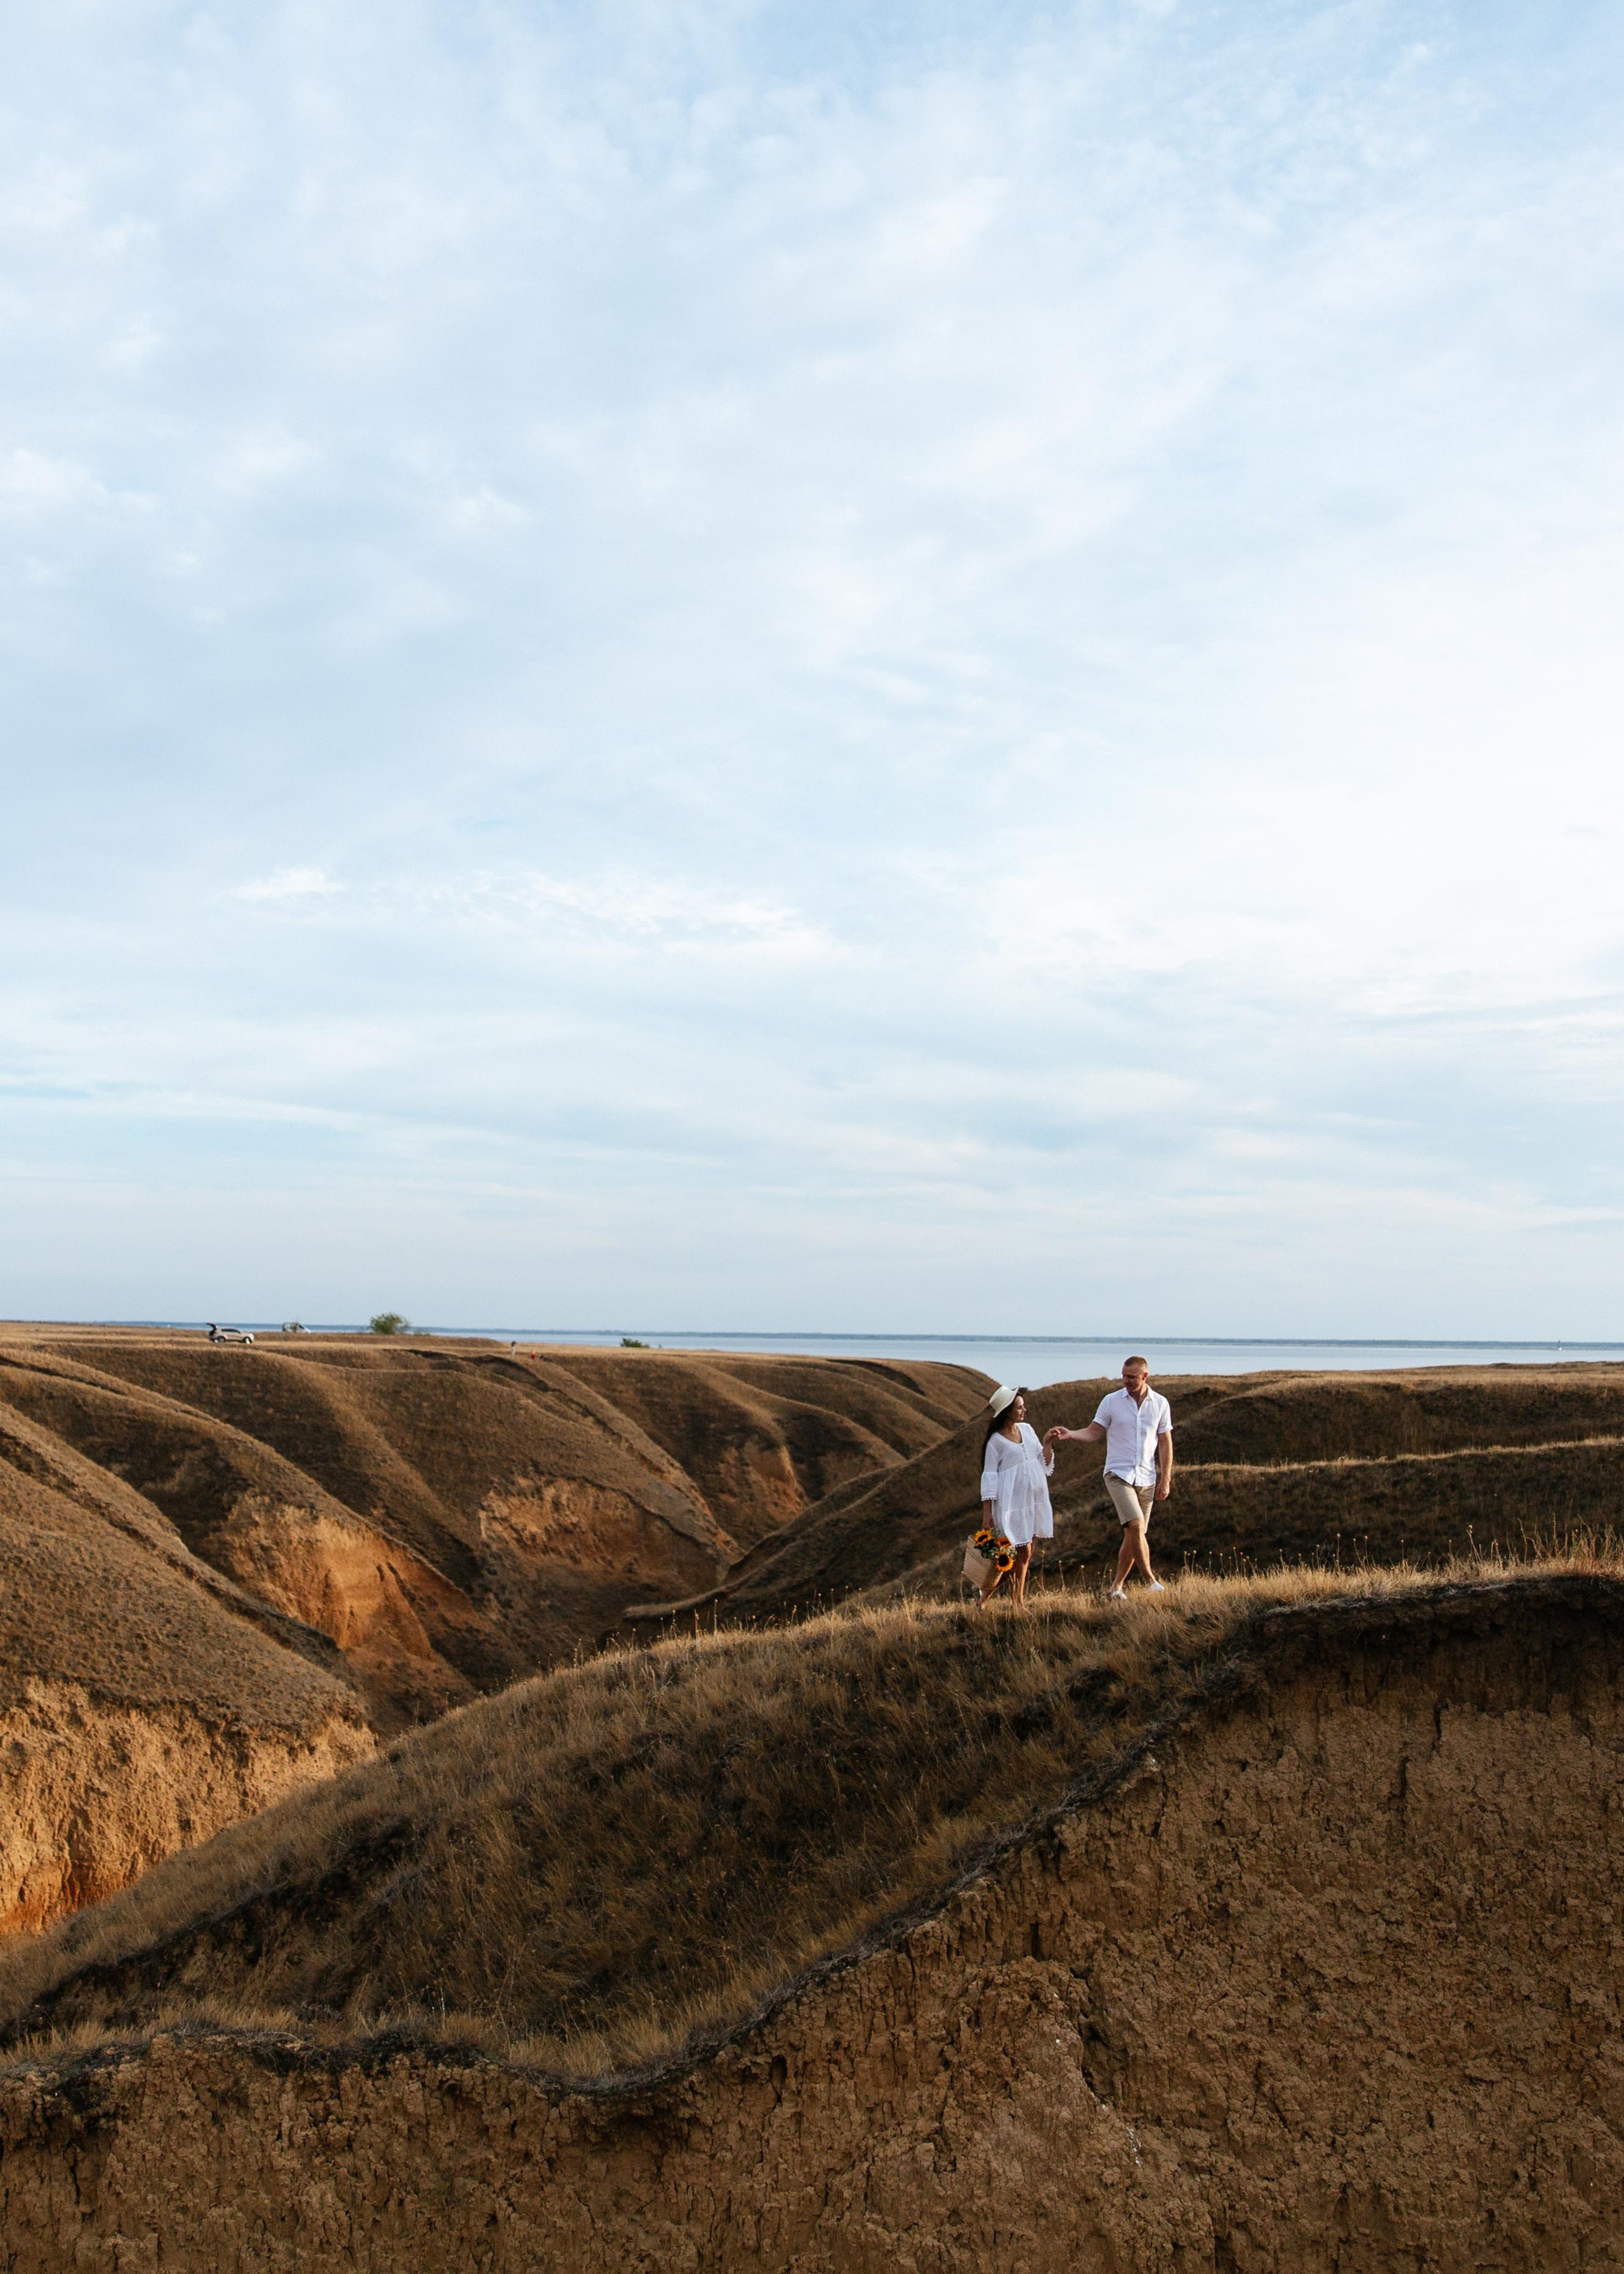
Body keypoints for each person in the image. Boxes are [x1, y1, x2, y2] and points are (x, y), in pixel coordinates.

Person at [1046, 1355, 1172, 1600]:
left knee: (1134, 1534)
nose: (1125, 1380)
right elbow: (1094, 1433)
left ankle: (1116, 1588)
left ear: (1145, 1376)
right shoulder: (1111, 1402)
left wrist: (1166, 1479)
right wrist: (1071, 1434)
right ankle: (1151, 1580)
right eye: (1123, 1376)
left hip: (1147, 1477)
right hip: (1118, 1474)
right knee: (1135, 1526)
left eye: (1131, 1377)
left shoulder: (1160, 1404)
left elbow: (1166, 1443)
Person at [975, 1386, 1054, 1608]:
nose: (1024, 1410)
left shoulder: (1027, 1430)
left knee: (1023, 1557)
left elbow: (1043, 1462)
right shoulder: (995, 1443)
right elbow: (989, 1477)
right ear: (1007, 1411)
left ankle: (990, 1599)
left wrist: (1047, 1442)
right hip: (1011, 1505)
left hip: (1032, 1501)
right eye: (1019, 1407)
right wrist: (987, 1513)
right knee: (1017, 1554)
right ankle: (1014, 1602)